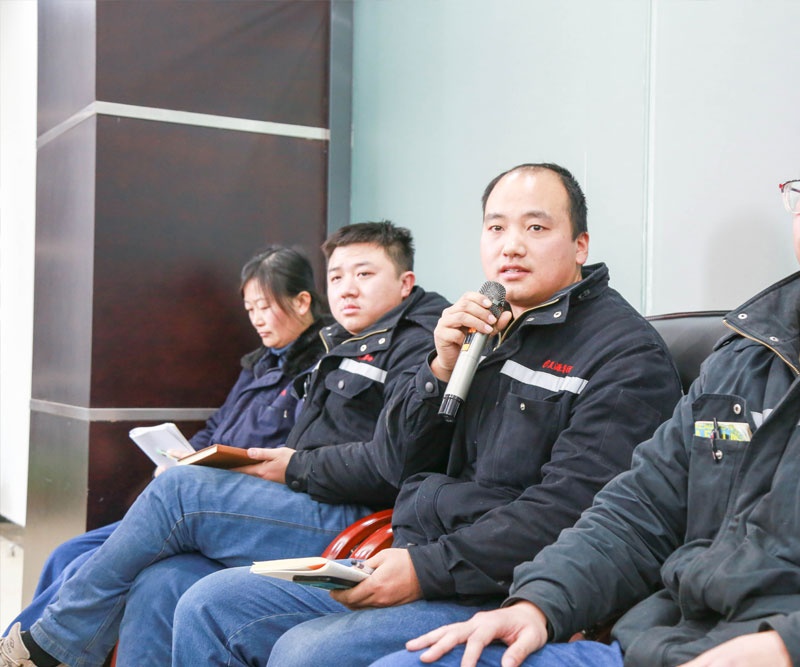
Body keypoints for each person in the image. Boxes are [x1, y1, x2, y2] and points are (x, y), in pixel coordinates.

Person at [378, 93, 800, 667]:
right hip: (660, 643)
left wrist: (788, 648)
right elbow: (641, 506)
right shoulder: (746, 356)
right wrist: (539, 602)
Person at [169, 162, 684, 667]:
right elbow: (396, 462)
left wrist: (425, 568)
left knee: (306, 652)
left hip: (498, 586)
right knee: (209, 604)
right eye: (496, 228)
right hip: (408, 551)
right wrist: (438, 369)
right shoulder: (481, 329)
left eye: (535, 228)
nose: (511, 246)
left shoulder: (624, 355)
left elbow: (573, 511)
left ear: (580, 245)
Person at [0, 221, 450, 667]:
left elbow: (393, 463)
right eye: (336, 277)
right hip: (304, 496)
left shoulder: (421, 346)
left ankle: (50, 646)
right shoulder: (344, 342)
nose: (347, 288)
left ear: (405, 282)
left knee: (178, 492)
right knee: (160, 581)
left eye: (364, 274)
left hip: (355, 518)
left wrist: (293, 467)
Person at [2, 244, 332, 637]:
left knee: (87, 566)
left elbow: (294, 456)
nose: (257, 319)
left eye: (265, 306)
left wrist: (211, 469)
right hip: (202, 485)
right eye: (250, 309)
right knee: (67, 552)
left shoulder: (322, 366)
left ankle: (39, 649)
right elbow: (218, 424)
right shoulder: (261, 361)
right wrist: (185, 455)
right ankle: (21, 646)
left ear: (302, 301)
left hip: (237, 500)